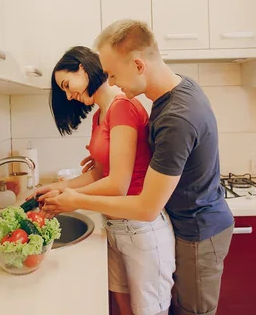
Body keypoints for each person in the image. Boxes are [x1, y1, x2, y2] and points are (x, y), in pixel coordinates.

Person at [40, 20, 235, 315]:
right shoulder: (171, 95)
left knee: (190, 312)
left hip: (198, 228)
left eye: (113, 74)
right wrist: (110, 159)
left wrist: (75, 200)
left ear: (139, 65)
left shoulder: (176, 117)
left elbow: (146, 208)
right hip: (181, 220)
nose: (112, 83)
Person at [40, 46, 175, 315]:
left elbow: (118, 185)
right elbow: (99, 173)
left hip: (141, 229)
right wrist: (56, 188)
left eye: (67, 85)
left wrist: (74, 200)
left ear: (82, 67)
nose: (69, 95)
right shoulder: (100, 114)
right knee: (124, 309)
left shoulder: (122, 107)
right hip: (116, 226)